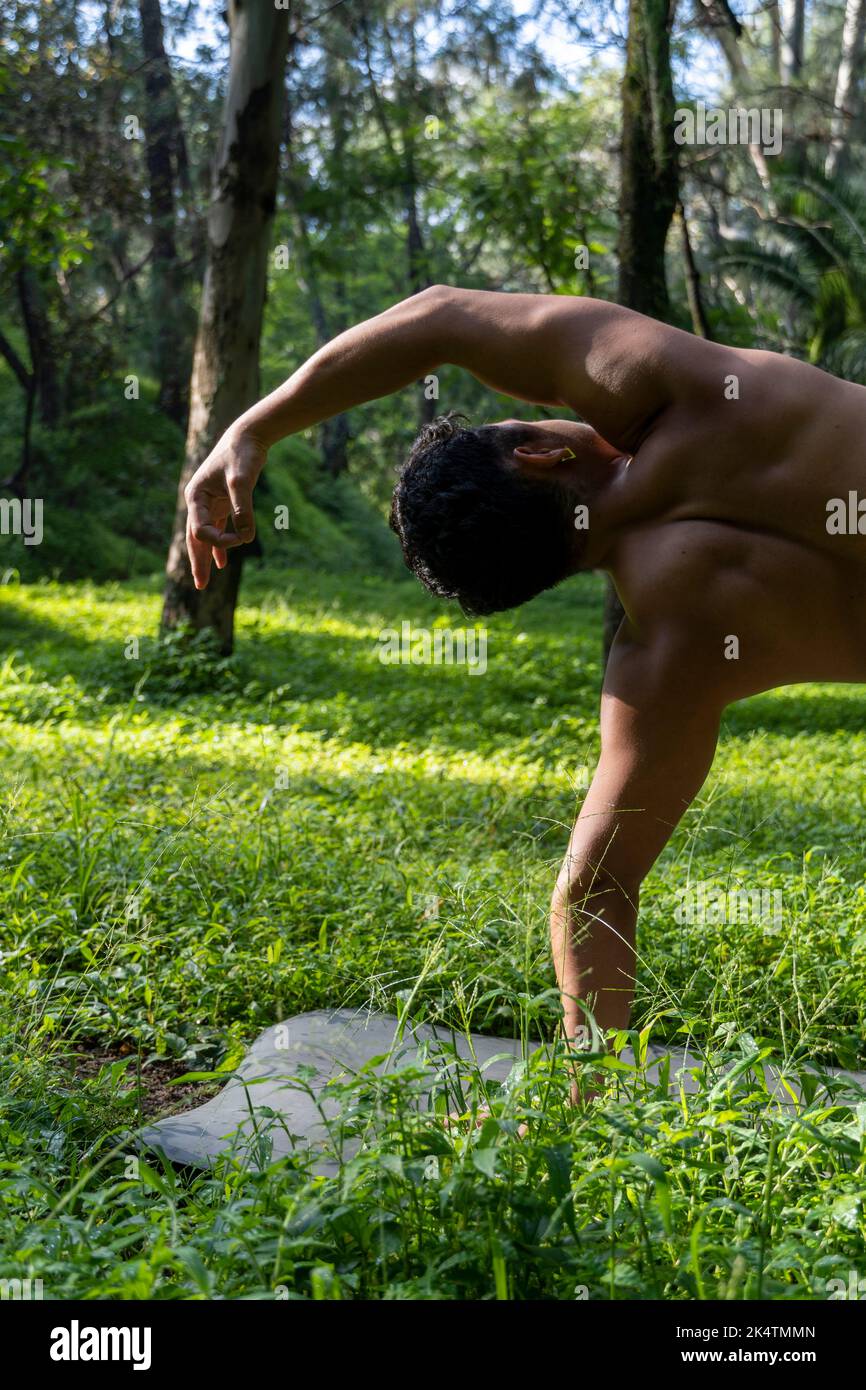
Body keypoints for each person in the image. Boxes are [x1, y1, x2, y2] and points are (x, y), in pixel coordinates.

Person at [183, 284, 866, 1058]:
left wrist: (591, 1090)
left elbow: (593, 892)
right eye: (526, 420)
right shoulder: (677, 390)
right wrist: (250, 431)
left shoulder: (666, 654)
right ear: (540, 453)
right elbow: (442, 316)